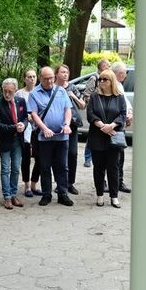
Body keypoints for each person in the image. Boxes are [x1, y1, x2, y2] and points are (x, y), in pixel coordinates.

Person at [27, 66, 73, 206]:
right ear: (41, 78)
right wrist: (44, 128)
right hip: (44, 138)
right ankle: (46, 194)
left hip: (61, 137)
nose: (49, 81)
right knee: (45, 166)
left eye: (52, 78)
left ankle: (63, 193)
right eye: (46, 79)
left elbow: (67, 109)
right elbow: (34, 114)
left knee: (62, 166)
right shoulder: (34, 93)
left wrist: (67, 124)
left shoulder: (61, 91)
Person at [87, 70, 127, 208]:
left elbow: (123, 114)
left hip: (114, 137)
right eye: (100, 79)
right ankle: (99, 195)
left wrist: (112, 126)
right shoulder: (94, 97)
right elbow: (90, 114)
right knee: (98, 167)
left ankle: (114, 196)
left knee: (113, 167)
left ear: (111, 81)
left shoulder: (119, 97)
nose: (102, 82)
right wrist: (102, 126)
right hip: (97, 136)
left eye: (105, 79)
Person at [0, 78, 28, 209]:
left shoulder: (21, 101)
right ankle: (7, 196)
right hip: (5, 141)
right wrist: (14, 127)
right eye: (4, 91)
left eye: (10, 92)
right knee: (5, 169)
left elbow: (25, 118)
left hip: (18, 140)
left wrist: (23, 125)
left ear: (16, 91)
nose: (7, 94)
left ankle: (13, 194)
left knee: (16, 168)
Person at [56, 64, 85, 194]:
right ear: (56, 74)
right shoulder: (53, 88)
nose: (65, 74)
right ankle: (60, 183)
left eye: (67, 72)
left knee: (72, 154)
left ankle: (70, 183)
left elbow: (83, 105)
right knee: (59, 156)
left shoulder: (72, 87)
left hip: (72, 125)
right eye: (62, 72)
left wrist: (72, 95)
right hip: (57, 125)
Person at [84, 58, 111, 169]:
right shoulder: (94, 78)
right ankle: (88, 158)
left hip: (105, 112)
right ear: (102, 66)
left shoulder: (109, 78)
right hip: (95, 111)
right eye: (108, 65)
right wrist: (94, 105)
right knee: (92, 135)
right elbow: (86, 94)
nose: (109, 67)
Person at [18, 69, 40, 198]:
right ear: (25, 79)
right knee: (26, 159)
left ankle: (34, 184)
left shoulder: (40, 92)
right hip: (25, 131)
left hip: (38, 130)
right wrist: (27, 116)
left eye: (33, 76)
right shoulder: (19, 94)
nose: (31, 79)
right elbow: (16, 112)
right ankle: (26, 186)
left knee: (40, 159)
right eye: (29, 76)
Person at [112, 61, 134, 193]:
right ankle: (111, 182)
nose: (125, 75)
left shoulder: (120, 85)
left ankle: (119, 181)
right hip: (114, 126)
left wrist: (130, 113)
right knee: (112, 157)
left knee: (121, 156)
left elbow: (126, 104)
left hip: (121, 126)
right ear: (119, 73)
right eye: (124, 73)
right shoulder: (111, 85)